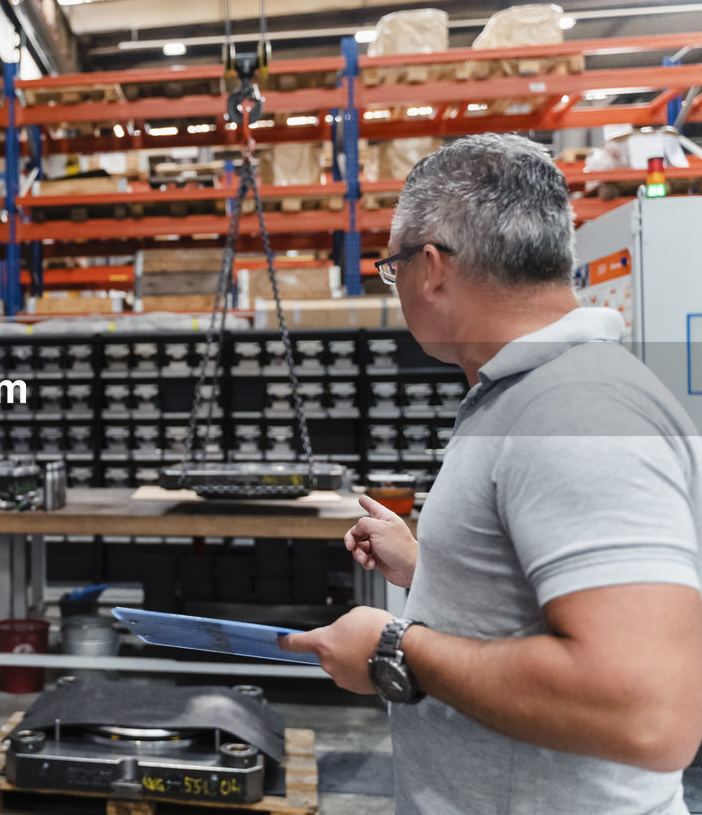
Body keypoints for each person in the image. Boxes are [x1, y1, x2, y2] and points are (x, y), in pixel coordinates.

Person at [280, 133, 702, 813]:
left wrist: (396, 646)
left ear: (434, 267)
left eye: (393, 269)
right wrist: (434, 568)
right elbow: (546, 608)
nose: (399, 289)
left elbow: (645, 710)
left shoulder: (576, 409)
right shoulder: (530, 392)